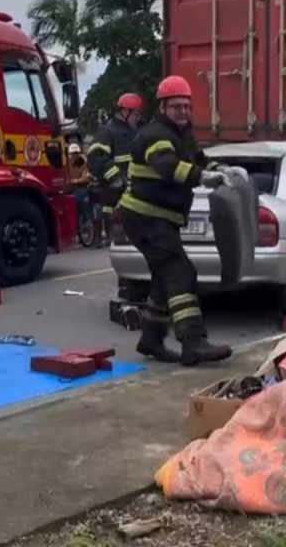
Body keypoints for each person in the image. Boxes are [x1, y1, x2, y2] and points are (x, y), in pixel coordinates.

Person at [117, 75, 232, 365]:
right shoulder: (156, 135)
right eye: (176, 106)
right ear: (163, 107)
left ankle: (152, 341)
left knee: (163, 278)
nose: (183, 111)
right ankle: (193, 342)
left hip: (156, 220)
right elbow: (167, 166)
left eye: (186, 106)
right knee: (181, 273)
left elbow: (198, 161)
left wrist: (223, 170)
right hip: (145, 218)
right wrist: (202, 177)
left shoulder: (182, 136)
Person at [88, 93, 144, 247]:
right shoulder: (108, 132)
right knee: (120, 248)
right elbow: (96, 154)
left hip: (134, 196)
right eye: (136, 114)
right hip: (114, 198)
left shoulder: (135, 133)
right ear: (125, 112)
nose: (137, 118)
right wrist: (115, 177)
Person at [67, 143, 94, 230]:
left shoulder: (83, 163)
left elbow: (86, 178)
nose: (74, 156)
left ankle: (86, 219)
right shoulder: (66, 164)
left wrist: (74, 181)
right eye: (72, 153)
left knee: (78, 198)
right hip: (69, 187)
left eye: (76, 153)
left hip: (81, 187)